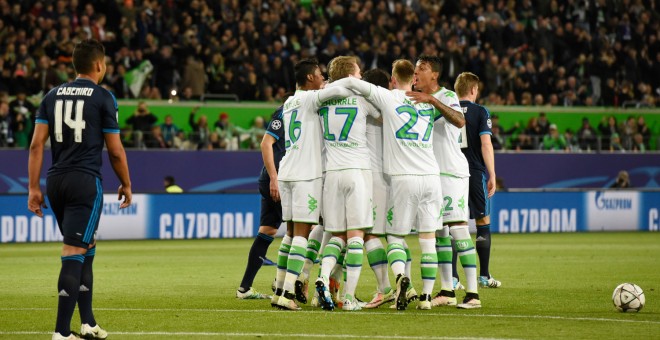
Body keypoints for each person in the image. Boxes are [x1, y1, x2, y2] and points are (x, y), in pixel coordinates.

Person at [28, 39, 132, 340]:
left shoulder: (51, 95)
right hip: (85, 182)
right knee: (74, 251)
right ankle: (61, 332)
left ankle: (87, 322)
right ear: (99, 65)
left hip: (55, 181)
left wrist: (33, 188)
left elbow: (36, 145)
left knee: (87, 247)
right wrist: (125, 182)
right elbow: (115, 151)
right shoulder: (104, 97)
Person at [335, 59, 442, 311]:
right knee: (421, 239)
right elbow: (458, 121)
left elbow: (356, 85)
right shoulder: (423, 104)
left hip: (382, 178)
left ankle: (389, 285)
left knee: (377, 234)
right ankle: (420, 293)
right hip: (424, 176)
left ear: (393, 80)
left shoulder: (381, 101)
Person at [273, 58, 354, 310]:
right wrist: (344, 81)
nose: (322, 78)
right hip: (305, 175)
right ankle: (287, 294)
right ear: (310, 78)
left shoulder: (288, 102)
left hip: (286, 171)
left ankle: (278, 289)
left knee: (288, 233)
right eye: (320, 75)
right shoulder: (310, 98)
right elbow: (341, 90)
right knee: (301, 234)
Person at [407, 58, 481, 309]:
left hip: (451, 172)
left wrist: (433, 101)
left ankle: (472, 294)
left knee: (458, 228)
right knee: (439, 233)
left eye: (422, 70)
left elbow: (460, 121)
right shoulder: (413, 98)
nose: (416, 74)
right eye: (415, 70)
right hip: (431, 175)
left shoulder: (447, 95)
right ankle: (447, 290)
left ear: (435, 75)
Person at [313, 56, 379, 311]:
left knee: (336, 235)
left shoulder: (322, 96)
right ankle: (349, 297)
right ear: (351, 74)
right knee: (355, 236)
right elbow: (383, 116)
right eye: (359, 72)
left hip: (332, 173)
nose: (362, 76)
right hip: (357, 170)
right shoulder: (361, 97)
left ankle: (323, 275)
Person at [236, 99, 290, 300]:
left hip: (272, 177)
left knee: (268, 230)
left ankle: (245, 288)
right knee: (302, 229)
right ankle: (283, 283)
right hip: (277, 179)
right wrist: (274, 178)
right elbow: (266, 142)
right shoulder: (286, 111)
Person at [455, 72, 502, 292]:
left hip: (451, 172)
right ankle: (483, 275)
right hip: (473, 171)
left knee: (454, 223)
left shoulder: (447, 108)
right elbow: (486, 144)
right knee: (482, 221)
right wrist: (492, 174)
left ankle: (453, 278)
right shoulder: (481, 111)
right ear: (474, 90)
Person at [361, 68, 395, 309]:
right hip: (396, 177)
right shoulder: (396, 106)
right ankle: (409, 285)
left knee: (368, 234)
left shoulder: (366, 106)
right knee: (396, 234)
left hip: (373, 178)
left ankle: (384, 289)